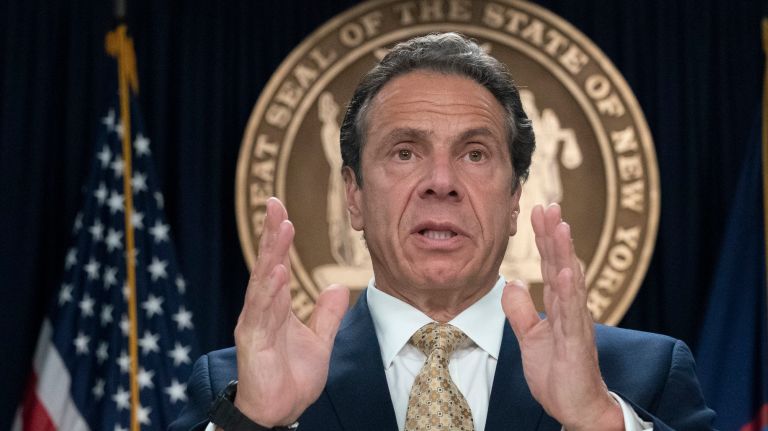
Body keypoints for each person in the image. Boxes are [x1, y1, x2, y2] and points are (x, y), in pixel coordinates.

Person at [170, 33, 715, 431]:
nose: (441, 182)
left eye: (474, 154)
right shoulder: (238, 389)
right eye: (405, 152)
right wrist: (253, 424)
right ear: (353, 196)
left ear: (514, 199)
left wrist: (596, 420)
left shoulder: (642, 377)